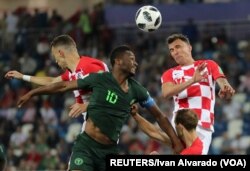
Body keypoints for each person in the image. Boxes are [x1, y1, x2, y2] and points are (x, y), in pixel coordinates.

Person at [17, 45, 183, 171]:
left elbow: (160, 117)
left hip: (109, 151)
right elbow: (62, 86)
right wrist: (33, 93)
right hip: (86, 146)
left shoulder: (137, 90)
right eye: (131, 59)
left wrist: (175, 142)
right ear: (118, 61)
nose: (136, 63)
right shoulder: (99, 79)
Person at [5, 34, 109, 130]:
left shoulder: (91, 66)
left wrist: (87, 105)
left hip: (104, 122)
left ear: (61, 53)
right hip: (91, 123)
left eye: (55, 56)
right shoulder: (70, 73)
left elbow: (111, 93)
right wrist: (23, 76)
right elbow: (52, 81)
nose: (55, 61)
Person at [161, 33, 235, 154]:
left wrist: (225, 90)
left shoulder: (209, 65)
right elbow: (166, 93)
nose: (175, 52)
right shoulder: (169, 73)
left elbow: (223, 83)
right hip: (180, 126)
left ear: (190, 47)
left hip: (203, 124)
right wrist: (192, 80)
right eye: (172, 50)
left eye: (178, 46)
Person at [130, 105, 202, 155]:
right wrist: (135, 115)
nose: (175, 130)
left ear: (180, 127)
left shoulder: (194, 151)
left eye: (175, 127)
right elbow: (155, 133)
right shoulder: (185, 143)